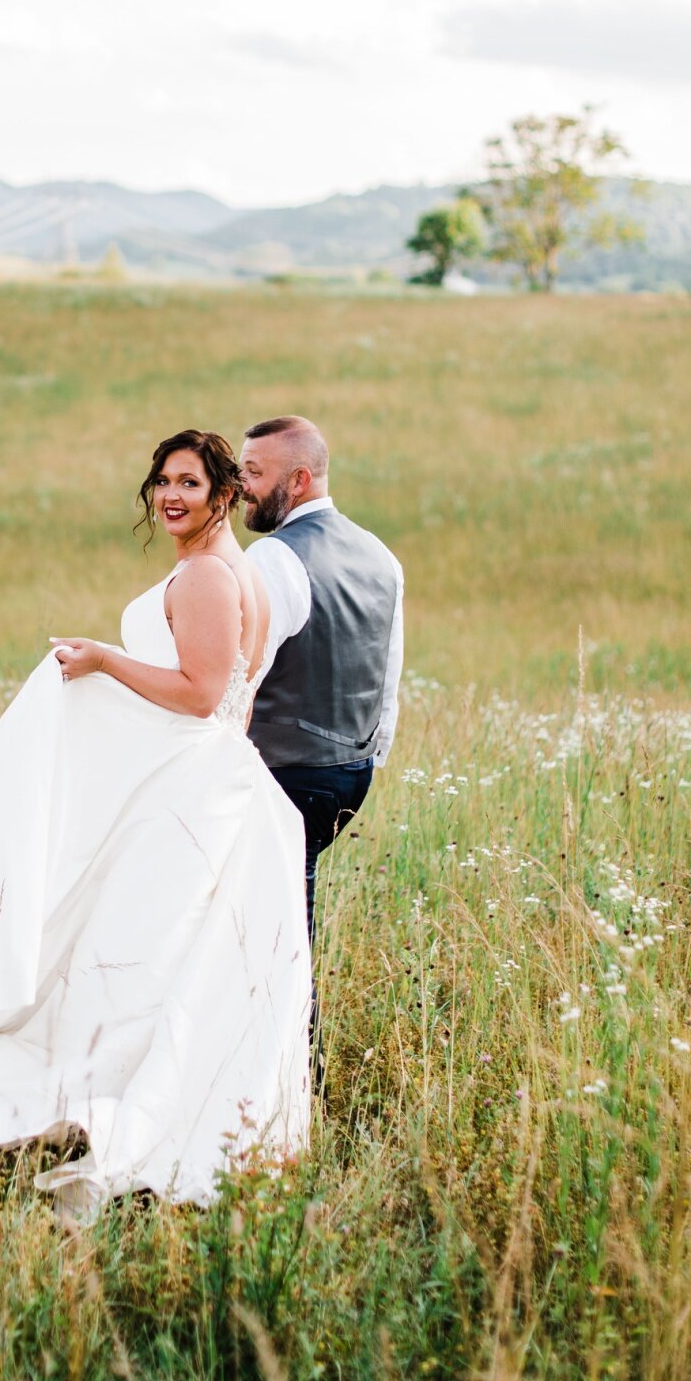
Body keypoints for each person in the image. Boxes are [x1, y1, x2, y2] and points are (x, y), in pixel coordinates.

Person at [0, 429, 310, 1226]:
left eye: (189, 484)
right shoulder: (245, 573)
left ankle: (100, 1098)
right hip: (217, 784)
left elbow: (202, 694)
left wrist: (101, 660)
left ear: (225, 495)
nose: (170, 496)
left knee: (130, 953)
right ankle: (134, 1091)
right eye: (162, 481)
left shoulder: (205, 574)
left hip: (191, 787)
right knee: (171, 963)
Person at [238, 415, 404, 1091]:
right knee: (279, 920)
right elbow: (387, 674)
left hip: (280, 775)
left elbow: (238, 679)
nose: (240, 486)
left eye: (253, 473)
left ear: (298, 479)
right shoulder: (380, 555)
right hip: (349, 777)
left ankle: (287, 1085)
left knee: (274, 934)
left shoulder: (273, 559)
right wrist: (366, 759)